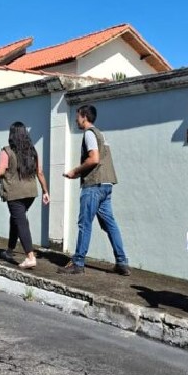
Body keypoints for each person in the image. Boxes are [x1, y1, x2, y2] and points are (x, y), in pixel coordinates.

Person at [63, 104, 130, 276]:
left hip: (94, 186)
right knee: (110, 224)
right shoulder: (100, 134)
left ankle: (78, 262)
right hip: (106, 184)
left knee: (84, 223)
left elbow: (94, 159)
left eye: (77, 117)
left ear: (84, 117)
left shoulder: (89, 134)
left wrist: (75, 171)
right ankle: (122, 262)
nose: (76, 120)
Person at [0, 122, 50, 269]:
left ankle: (30, 257)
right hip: (30, 193)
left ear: (11, 135)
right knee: (16, 218)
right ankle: (9, 250)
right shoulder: (32, 151)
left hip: (14, 193)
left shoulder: (6, 151)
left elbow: (0, 172)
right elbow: (40, 172)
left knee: (21, 222)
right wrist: (45, 191)